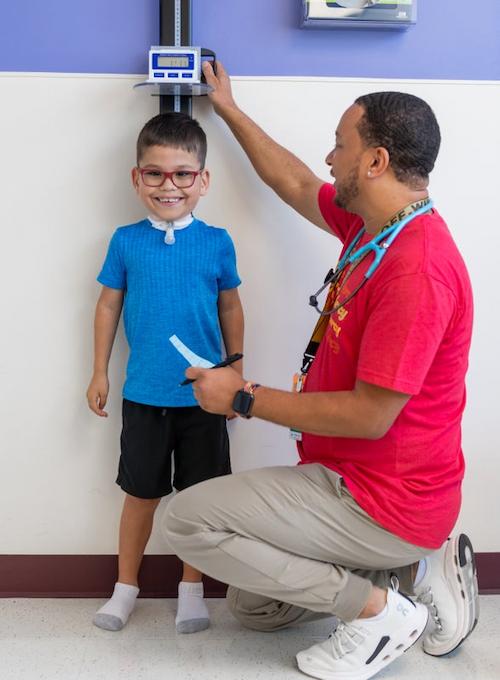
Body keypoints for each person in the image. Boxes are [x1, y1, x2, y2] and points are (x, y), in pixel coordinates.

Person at [162, 62, 478, 680]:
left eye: (341, 144)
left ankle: (381, 608)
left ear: (376, 161)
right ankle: (408, 576)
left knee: (185, 519)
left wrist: (243, 398)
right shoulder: (372, 228)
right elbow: (298, 183)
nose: (330, 157)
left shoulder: (417, 268)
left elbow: (369, 415)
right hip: (343, 477)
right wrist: (226, 107)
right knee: (254, 607)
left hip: (383, 500)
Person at [86, 112, 244, 634]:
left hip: (206, 397)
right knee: (140, 493)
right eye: (154, 173)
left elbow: (230, 308)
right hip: (145, 395)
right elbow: (108, 307)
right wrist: (99, 372)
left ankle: (191, 588)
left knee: (198, 498)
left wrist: (236, 370)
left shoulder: (217, 241)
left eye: (182, 174)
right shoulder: (126, 241)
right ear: (137, 178)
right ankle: (125, 586)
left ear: (203, 180)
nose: (168, 185)